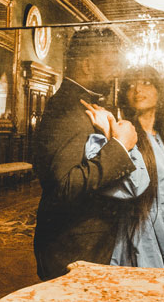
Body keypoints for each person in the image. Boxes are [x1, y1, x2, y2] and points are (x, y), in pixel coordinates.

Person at [32, 27, 138, 280]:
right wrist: (120, 146)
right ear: (87, 65)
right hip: (73, 249)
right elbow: (65, 186)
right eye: (111, 60)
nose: (119, 70)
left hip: (87, 245)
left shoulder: (81, 101)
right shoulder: (67, 108)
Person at [83, 65, 164, 269]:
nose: (138, 89)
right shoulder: (121, 131)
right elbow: (128, 186)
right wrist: (112, 136)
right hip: (139, 235)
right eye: (131, 85)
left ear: (160, 92)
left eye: (146, 83)